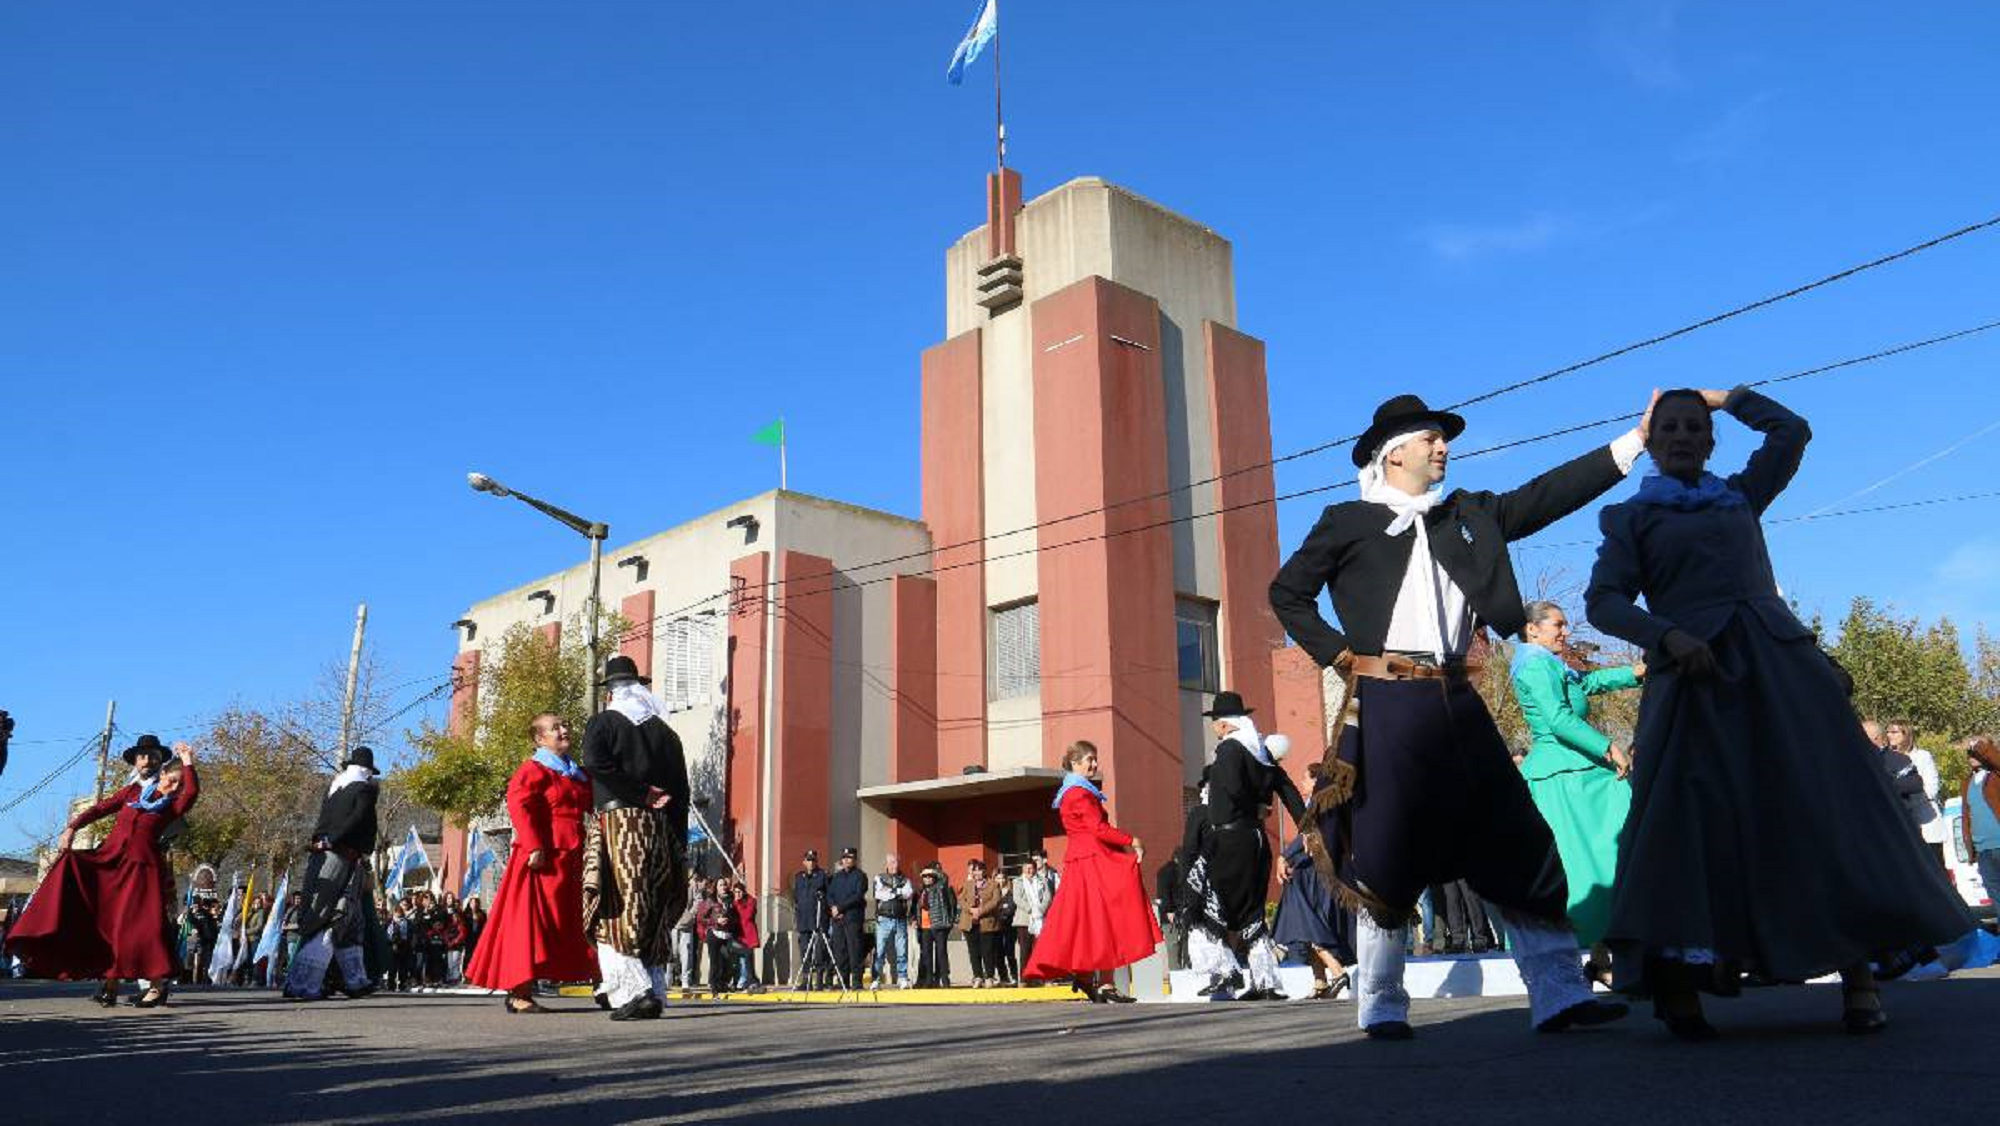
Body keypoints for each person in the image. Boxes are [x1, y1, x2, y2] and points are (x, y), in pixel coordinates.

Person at [1584, 386, 1971, 1039]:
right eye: (1668, 427)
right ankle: (1681, 987)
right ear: (1649, 442)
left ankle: (1860, 978)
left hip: (1780, 671)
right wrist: (1668, 636)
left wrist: (1726, 396)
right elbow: (1604, 602)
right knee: (1686, 823)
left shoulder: (1740, 494)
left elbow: (1792, 432)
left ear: (1711, 440)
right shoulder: (1631, 519)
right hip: (1694, 679)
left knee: (1822, 808)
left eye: (1694, 426)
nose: (1681, 435)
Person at [1270, 391, 1649, 1039]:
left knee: (1517, 838)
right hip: (1386, 699)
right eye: (1429, 439)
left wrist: (1634, 441)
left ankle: (1559, 994)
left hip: (1456, 696)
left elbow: (1548, 493)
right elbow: (1288, 592)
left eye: (1443, 439)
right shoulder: (1347, 521)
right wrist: (1342, 659)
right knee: (1387, 852)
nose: (1443, 446)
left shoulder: (1468, 515)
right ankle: (1383, 1002)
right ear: (1393, 454)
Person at [9, 736, 199, 1008]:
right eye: (172, 779)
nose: (174, 785)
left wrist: (189, 762)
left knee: (143, 927)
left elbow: (191, 793)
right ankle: (110, 984)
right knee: (109, 922)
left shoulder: (171, 805)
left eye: (178, 783)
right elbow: (100, 808)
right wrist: (72, 827)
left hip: (141, 870)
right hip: (111, 863)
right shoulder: (133, 794)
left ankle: (157, 986)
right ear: (162, 774)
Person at [1511, 599, 1645, 962]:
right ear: (1532, 629)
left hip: (1577, 772)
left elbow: (1586, 682)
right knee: (1588, 863)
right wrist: (1608, 746)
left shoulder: (1547, 662)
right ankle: (1596, 952)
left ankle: (1603, 953)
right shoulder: (1534, 665)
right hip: (1565, 777)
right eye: (1558, 624)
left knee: (1600, 858)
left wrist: (1635, 671)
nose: (1566, 631)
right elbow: (1557, 719)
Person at [580, 654, 690, 1022]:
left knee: (613, 905)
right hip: (660, 830)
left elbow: (596, 764)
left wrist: (638, 792)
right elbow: (681, 791)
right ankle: (655, 989)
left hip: (620, 824)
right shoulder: (666, 734)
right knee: (652, 907)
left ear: (610, 690)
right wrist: (679, 842)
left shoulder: (603, 723)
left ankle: (635, 989)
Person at [466, 713, 599, 1013]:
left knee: (576, 922)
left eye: (565, 725)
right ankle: (519, 991)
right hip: (543, 856)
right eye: (556, 728)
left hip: (574, 856)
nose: (564, 730)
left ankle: (602, 982)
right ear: (540, 739)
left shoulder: (575, 773)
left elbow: (595, 800)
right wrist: (533, 846)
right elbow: (519, 806)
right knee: (531, 923)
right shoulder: (533, 770)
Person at [1183, 692, 1303, 1001]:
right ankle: (1265, 981)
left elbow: (1234, 789)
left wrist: (1250, 807)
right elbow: (1287, 790)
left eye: (1214, 723)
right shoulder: (1261, 751)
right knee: (1251, 910)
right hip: (1256, 840)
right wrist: (1307, 825)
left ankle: (1226, 970)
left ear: (1223, 725)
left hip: (1229, 839)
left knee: (1200, 901)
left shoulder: (1230, 750)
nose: (1213, 728)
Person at [1021, 741, 1160, 1002]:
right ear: (1074, 763)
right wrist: (1133, 840)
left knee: (1088, 921)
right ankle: (1102, 982)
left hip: (1081, 860)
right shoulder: (1079, 793)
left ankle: (1088, 976)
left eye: (1095, 759)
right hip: (1092, 860)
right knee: (1104, 918)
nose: (1094, 764)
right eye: (1089, 759)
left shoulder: (1072, 791)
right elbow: (1098, 829)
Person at [283, 745, 382, 1002]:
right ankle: (304, 981)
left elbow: (323, 823)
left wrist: (321, 841)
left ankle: (353, 978)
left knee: (350, 917)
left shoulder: (335, 788)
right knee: (330, 913)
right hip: (340, 855)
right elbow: (359, 817)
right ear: (367, 770)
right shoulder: (364, 789)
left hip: (329, 853)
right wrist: (333, 841)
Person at [1272, 765, 1356, 1001]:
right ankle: (1320, 981)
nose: (1302, 783)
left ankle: (1336, 970)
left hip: (1318, 876)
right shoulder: (1323, 805)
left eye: (1305, 779)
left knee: (1307, 921)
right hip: (1311, 873)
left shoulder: (1322, 804)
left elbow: (1310, 834)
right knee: (1308, 920)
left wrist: (1285, 856)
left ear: (1317, 780)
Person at [1884, 721, 1947, 868]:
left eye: (1894, 732)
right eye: (1888, 731)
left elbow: (1932, 788)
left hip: (1926, 822)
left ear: (1906, 734)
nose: (1889, 735)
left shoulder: (1922, 756)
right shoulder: (1885, 759)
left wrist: (1909, 800)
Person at [825, 847, 869, 990]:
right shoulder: (837, 877)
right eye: (844, 858)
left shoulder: (860, 876)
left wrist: (841, 908)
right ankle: (843, 982)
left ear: (855, 859)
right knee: (840, 951)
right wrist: (833, 907)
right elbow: (829, 894)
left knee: (854, 951)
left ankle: (857, 982)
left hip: (853, 918)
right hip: (838, 919)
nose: (846, 860)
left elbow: (857, 896)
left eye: (849, 858)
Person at [1963, 738, 2000, 903]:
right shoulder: (1966, 783)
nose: (1972, 754)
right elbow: (1966, 819)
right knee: (1997, 900)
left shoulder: (1996, 777)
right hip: (1983, 852)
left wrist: (1980, 745)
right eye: (1969, 752)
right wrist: (1971, 851)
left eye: (1976, 751)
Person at [791, 848, 832, 990]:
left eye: (813, 860)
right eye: (808, 860)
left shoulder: (823, 875)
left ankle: (819, 980)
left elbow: (829, 896)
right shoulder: (799, 877)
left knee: (819, 951)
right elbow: (796, 897)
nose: (811, 862)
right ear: (804, 862)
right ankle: (806, 980)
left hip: (819, 920)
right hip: (804, 921)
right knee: (805, 952)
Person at [873, 853, 914, 988]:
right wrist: (898, 892)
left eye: (896, 862)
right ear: (887, 864)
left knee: (902, 950)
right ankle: (876, 978)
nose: (894, 865)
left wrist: (891, 891)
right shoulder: (879, 878)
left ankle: (902, 977)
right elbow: (879, 894)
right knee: (880, 950)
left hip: (900, 919)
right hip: (883, 919)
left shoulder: (905, 879)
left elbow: (908, 893)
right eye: (891, 862)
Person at [915, 862, 958, 987]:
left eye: (930, 876)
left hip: (939, 925)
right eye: (925, 877)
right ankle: (929, 979)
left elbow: (944, 879)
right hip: (924, 926)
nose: (927, 879)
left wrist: (933, 871)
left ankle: (944, 979)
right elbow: (917, 908)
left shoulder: (940, 887)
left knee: (941, 952)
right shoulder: (922, 891)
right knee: (927, 954)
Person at [1013, 853, 1056, 975]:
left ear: (1035, 868)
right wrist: (1031, 909)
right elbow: (1017, 899)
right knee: (1025, 951)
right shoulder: (1018, 881)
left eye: (1031, 868)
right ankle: (1025, 977)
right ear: (1022, 869)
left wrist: (1040, 910)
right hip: (1024, 920)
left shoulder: (1044, 881)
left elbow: (1048, 898)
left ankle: (1041, 976)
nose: (1028, 870)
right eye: (1026, 868)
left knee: (1040, 950)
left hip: (1041, 919)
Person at [674, 877, 710, 990]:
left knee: (686, 953)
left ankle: (685, 980)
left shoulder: (691, 884)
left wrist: (691, 915)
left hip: (686, 922)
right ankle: (668, 978)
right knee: (672, 952)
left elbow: (698, 900)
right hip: (670, 922)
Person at [991, 868, 1020, 985]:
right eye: (998, 878)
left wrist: (1000, 912)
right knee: (998, 953)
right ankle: (1003, 977)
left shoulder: (1011, 892)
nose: (1000, 880)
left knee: (1010, 952)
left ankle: (1014, 976)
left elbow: (1010, 909)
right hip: (995, 926)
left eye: (1002, 878)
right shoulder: (992, 891)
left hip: (1009, 926)